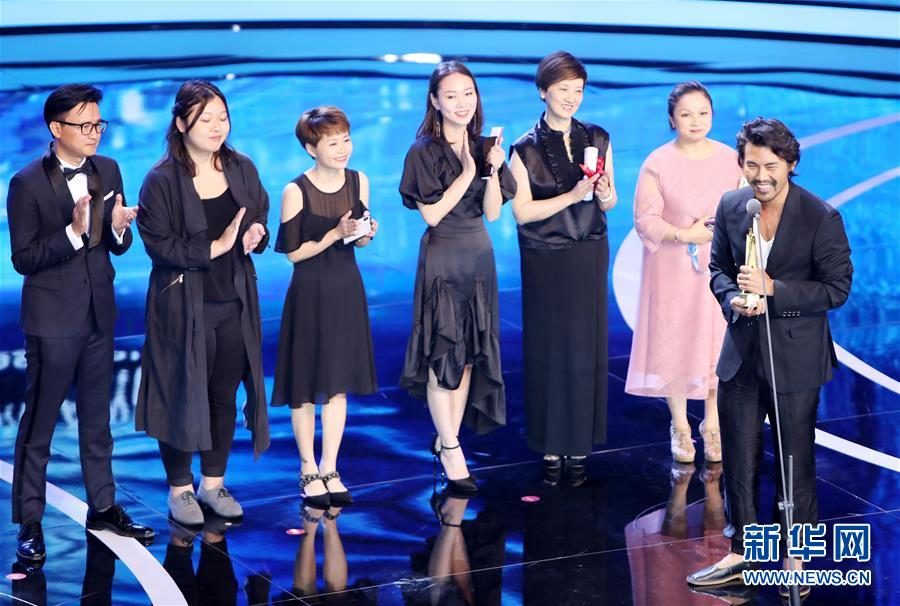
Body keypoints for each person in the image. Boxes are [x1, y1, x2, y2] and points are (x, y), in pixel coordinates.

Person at [687, 118, 852, 593]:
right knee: (738, 462)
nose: (761, 176)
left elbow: (836, 289)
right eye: (752, 165)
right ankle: (742, 554)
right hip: (741, 354)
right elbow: (718, 269)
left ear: (790, 164)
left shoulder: (820, 217)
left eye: (771, 166)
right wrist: (731, 300)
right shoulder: (732, 205)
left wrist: (774, 289)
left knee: (793, 463)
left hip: (796, 359)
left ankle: (795, 560)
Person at [7, 83, 153, 561]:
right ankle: (30, 520)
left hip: (98, 313)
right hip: (52, 319)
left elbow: (115, 245)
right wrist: (72, 233)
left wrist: (118, 229)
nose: (94, 133)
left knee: (98, 417)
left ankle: (103, 505)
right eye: (84, 125)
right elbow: (23, 259)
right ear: (56, 128)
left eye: (98, 123)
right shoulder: (26, 183)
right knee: (40, 424)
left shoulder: (108, 169)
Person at [135, 80, 270, 526]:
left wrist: (255, 234)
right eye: (205, 119)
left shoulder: (241, 167)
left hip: (233, 301)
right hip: (182, 306)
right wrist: (214, 248)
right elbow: (158, 244)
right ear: (181, 124)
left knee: (222, 395)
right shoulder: (160, 180)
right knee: (181, 395)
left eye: (222, 117)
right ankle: (180, 489)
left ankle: (213, 483)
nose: (217, 127)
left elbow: (258, 212)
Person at [399, 61, 516, 495]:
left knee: (467, 355)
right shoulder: (423, 152)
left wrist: (492, 169)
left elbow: (493, 212)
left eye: (468, 93)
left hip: (479, 257)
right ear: (435, 101)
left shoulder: (486, 145)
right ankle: (449, 446)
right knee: (441, 352)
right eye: (451, 95)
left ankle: (450, 438)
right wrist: (467, 173)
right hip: (443, 258)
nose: (462, 103)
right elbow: (431, 215)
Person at [508, 51, 616, 487]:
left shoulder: (599, 137)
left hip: (588, 251)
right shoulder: (524, 148)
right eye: (563, 89)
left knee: (585, 348)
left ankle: (580, 442)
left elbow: (610, 201)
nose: (571, 97)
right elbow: (522, 212)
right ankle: (551, 443)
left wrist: (603, 192)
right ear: (543, 91)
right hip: (545, 256)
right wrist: (571, 197)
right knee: (549, 349)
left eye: (578, 90)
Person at [625, 81, 743, 464]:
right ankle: (679, 425)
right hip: (672, 266)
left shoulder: (731, 159)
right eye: (686, 114)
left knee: (718, 342)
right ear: (672, 119)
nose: (696, 121)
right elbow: (645, 219)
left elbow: (745, 208)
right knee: (674, 340)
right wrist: (685, 234)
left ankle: (713, 424)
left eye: (703, 113)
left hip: (719, 264)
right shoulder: (657, 162)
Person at [272, 105, 378, 508]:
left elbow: (359, 240)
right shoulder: (295, 191)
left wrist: (364, 234)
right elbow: (293, 253)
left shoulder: (359, 181)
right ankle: (308, 466)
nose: (343, 149)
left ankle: (331, 467)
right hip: (310, 292)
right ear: (310, 148)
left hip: (346, 288)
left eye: (345, 139)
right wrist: (334, 233)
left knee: (337, 384)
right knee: (305, 385)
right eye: (332, 143)